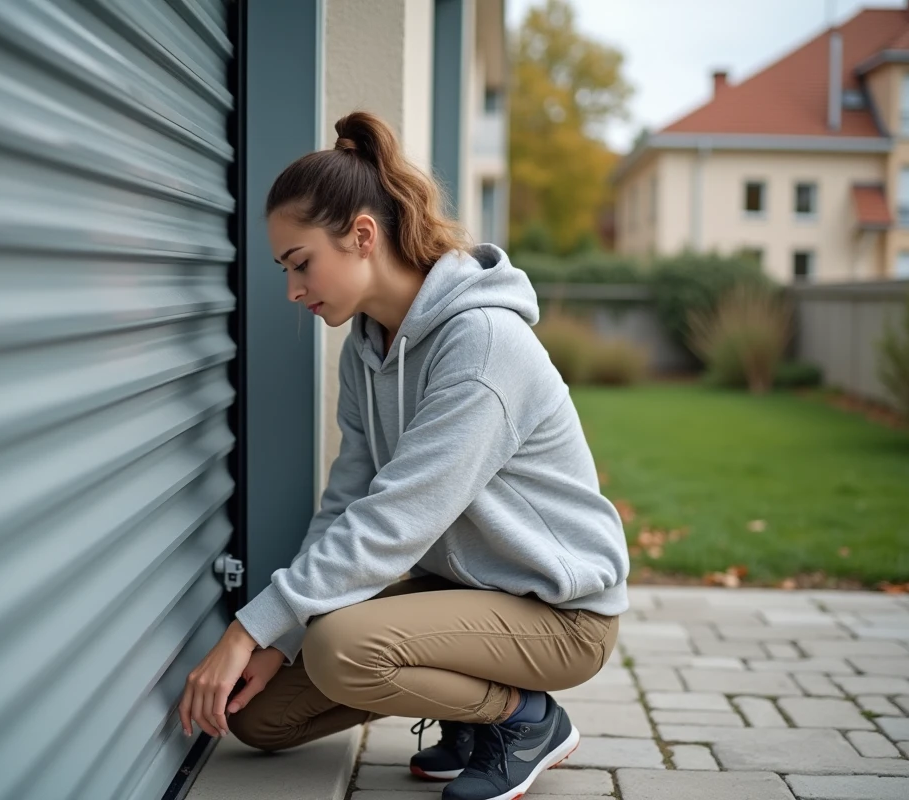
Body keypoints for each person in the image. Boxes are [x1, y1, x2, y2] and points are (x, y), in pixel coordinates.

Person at [177, 110, 629, 800]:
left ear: (362, 235)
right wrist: (277, 637)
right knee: (261, 718)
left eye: (301, 264)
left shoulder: (481, 343)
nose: (293, 290)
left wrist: (248, 626)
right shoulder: (366, 350)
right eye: (285, 269)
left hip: (562, 614)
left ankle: (524, 719)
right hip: (469, 593)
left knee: (341, 646)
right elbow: (347, 504)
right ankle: (469, 714)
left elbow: (398, 518)